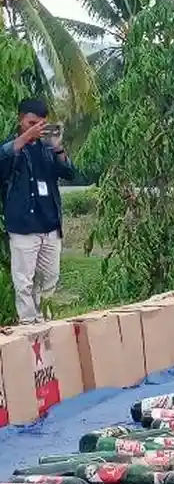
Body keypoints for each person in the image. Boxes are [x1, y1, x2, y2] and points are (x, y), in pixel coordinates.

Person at [0, 98, 74, 324]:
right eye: (32, 122)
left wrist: (58, 146)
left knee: (49, 279)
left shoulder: (47, 149)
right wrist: (24, 139)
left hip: (50, 226)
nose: (36, 128)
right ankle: (27, 326)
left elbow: (70, 173)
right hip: (24, 227)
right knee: (24, 282)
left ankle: (44, 323)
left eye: (41, 123)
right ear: (20, 120)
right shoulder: (12, 148)